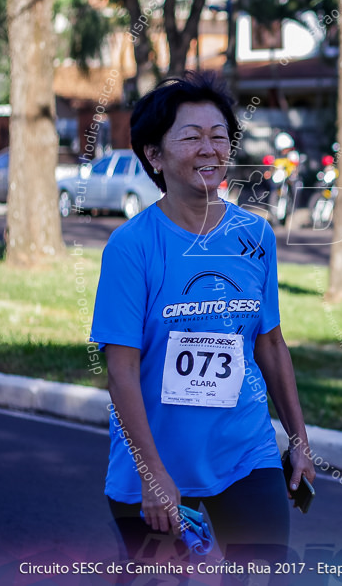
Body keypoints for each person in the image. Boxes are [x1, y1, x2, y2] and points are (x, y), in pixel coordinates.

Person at [91, 71, 316, 575]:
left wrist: (298, 441)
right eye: (191, 137)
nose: (210, 149)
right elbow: (121, 371)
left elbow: (272, 344)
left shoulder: (254, 234)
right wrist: (152, 476)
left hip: (244, 451)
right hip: (155, 461)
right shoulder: (133, 246)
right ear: (155, 155)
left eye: (219, 135)